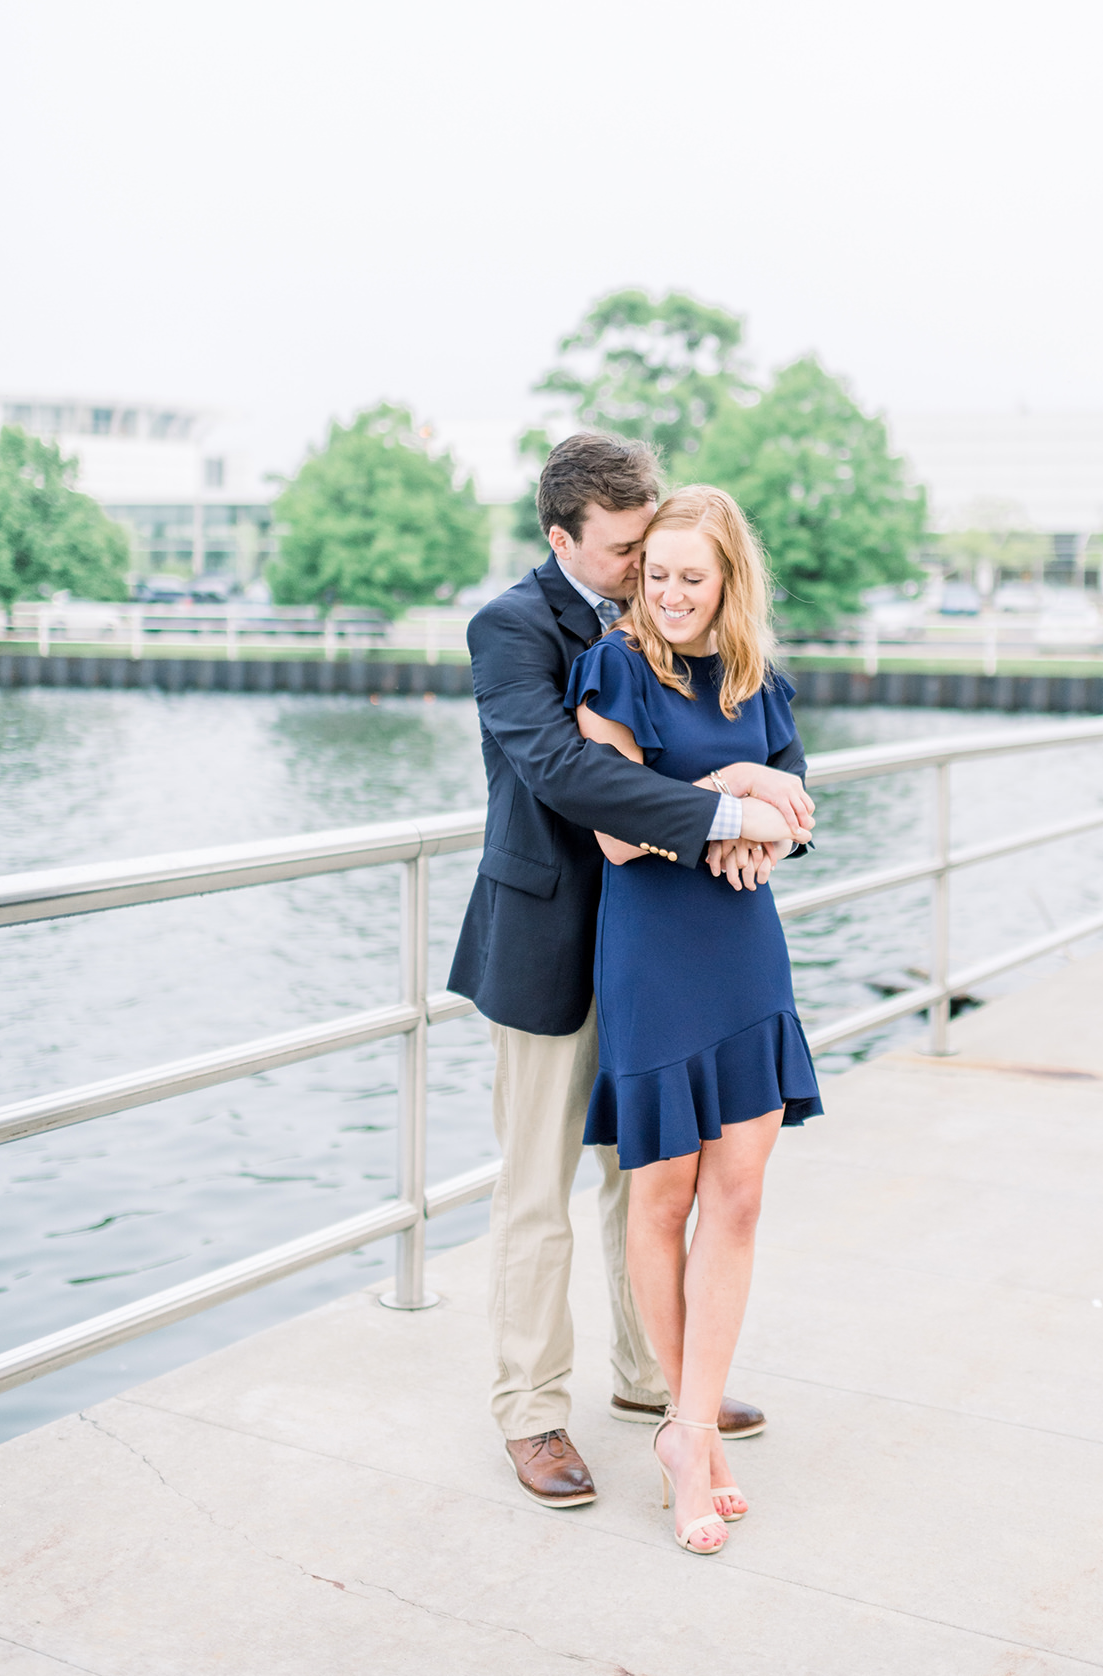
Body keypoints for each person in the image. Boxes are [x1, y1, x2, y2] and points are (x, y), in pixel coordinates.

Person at [447, 434, 815, 1509]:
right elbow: (565, 771)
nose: (644, 566)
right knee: (535, 1195)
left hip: (668, 944)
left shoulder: (675, 615)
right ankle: (531, 1413)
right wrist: (728, 815)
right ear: (562, 538)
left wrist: (766, 814)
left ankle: (655, 1382)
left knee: (650, 1178)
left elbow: (752, 731)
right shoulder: (509, 628)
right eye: (622, 551)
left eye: (654, 544)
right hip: (548, 940)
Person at [566, 485, 823, 1555]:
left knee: (741, 1196)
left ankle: (689, 1423)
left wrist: (765, 801)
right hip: (655, 955)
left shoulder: (758, 676)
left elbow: (800, 815)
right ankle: (687, 1429)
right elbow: (618, 834)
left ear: (727, 580)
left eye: (691, 577)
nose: (670, 593)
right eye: (655, 574)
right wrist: (735, 791)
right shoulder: (614, 667)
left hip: (742, 951)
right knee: (660, 1194)